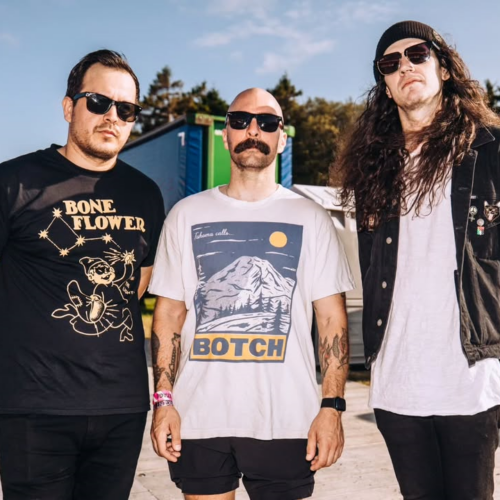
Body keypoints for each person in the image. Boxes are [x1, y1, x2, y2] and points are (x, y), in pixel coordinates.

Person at [148, 87, 354, 500]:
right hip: (198, 418)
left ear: (282, 138)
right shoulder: (185, 215)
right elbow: (168, 315)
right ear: (226, 135)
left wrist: (332, 408)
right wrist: (163, 402)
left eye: (268, 122)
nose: (253, 130)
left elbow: (332, 319)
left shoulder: (311, 218)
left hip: (287, 420)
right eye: (240, 121)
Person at [335, 20, 500, 500]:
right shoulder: (373, 169)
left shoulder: (490, 151)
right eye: (391, 63)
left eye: (418, 54)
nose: (405, 65)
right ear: (385, 86)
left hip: (471, 379)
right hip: (397, 381)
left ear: (444, 68)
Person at [0, 50, 165, 499]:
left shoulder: (145, 194)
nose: (113, 116)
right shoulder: (15, 182)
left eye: (126, 109)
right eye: (99, 102)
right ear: (68, 107)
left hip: (121, 408)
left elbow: (138, 286)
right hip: (34, 409)